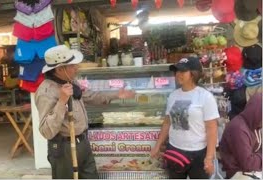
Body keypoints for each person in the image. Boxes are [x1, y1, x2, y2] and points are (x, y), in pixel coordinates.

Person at [35, 45, 135, 179]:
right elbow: (46, 131)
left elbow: (90, 96)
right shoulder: (46, 92)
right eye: (72, 66)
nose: (76, 68)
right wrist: (61, 101)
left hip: (82, 142)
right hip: (64, 148)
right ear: (59, 69)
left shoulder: (71, 82)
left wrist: (116, 95)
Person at [150, 57, 219, 179]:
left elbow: (212, 129)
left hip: (198, 153)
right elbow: (167, 123)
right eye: (176, 71)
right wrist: (157, 145)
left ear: (193, 74)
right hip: (175, 150)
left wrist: (209, 158)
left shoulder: (205, 97)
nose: (178, 74)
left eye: (182, 71)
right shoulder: (173, 95)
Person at [219, 93, 262, 179]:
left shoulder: (254, 125)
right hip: (237, 173)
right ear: (257, 113)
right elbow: (247, 163)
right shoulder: (238, 129)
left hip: (248, 170)